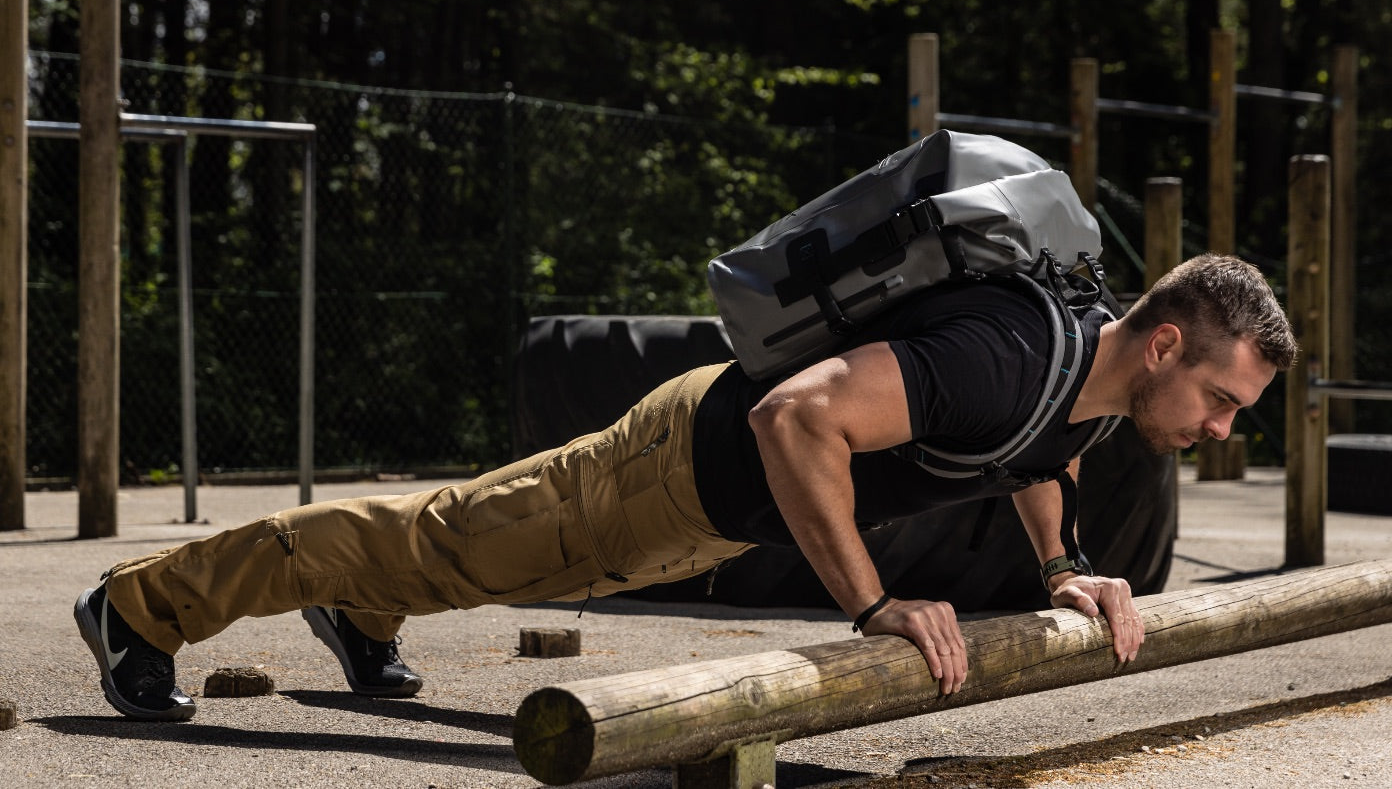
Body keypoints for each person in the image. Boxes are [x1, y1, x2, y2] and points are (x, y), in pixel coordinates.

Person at [74, 253, 1296, 721]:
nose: (1226, 428)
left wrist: (1060, 564)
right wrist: (874, 606)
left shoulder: (1079, 372)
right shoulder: (1009, 354)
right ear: (1169, 347)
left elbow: (1047, 447)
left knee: (477, 559)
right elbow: (796, 414)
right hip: (679, 466)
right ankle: (138, 604)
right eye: (1227, 400)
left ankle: (359, 610)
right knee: (444, 539)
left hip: (705, 514)